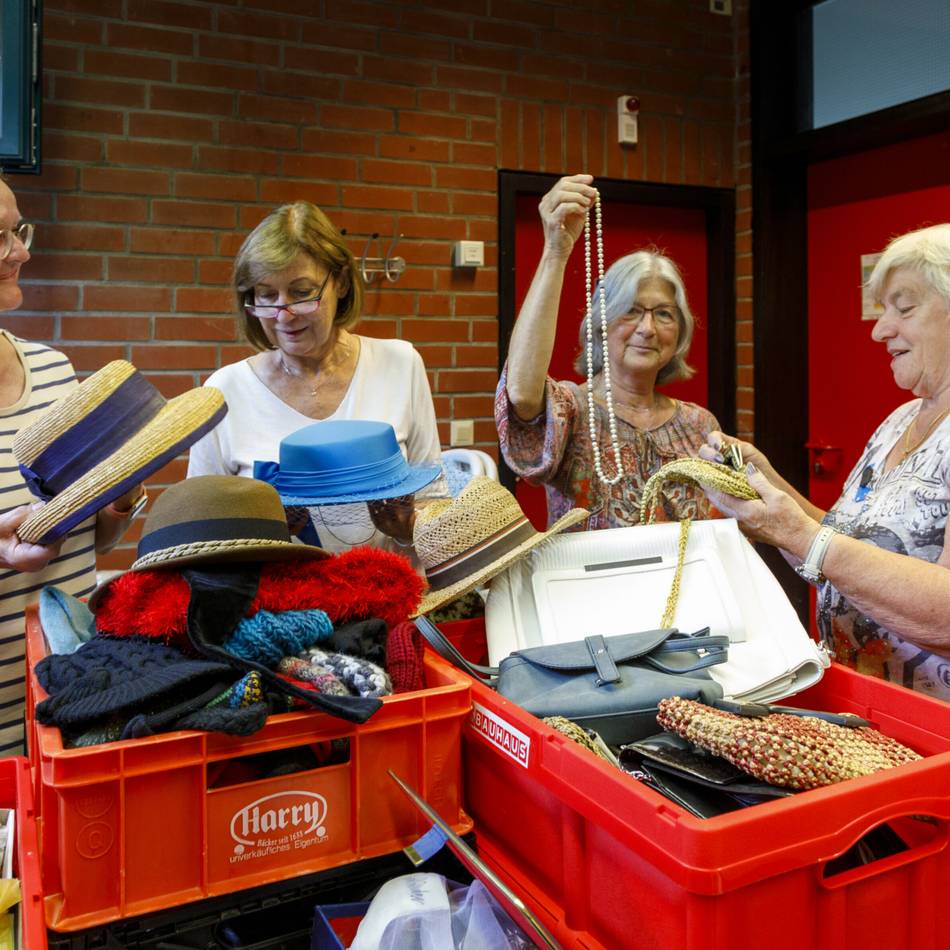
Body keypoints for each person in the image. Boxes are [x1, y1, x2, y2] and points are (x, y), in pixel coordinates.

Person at [701, 223, 950, 700]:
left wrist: (797, 534)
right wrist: (765, 486)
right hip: (867, 704)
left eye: (905, 307)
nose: (880, 330)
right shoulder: (899, 420)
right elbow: (842, 539)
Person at [186, 201, 445, 555]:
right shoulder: (224, 392)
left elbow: (434, 500)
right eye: (266, 295)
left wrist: (408, 527)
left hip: (392, 600)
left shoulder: (400, 365)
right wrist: (262, 529)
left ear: (339, 282)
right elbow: (199, 529)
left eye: (301, 292)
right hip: (275, 607)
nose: (284, 314)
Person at [0, 175, 142, 755]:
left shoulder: (55, 371)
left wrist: (118, 501)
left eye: (17, 230)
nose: (22, 252)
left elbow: (95, 541)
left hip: (77, 704)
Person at [496, 173, 719, 529]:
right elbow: (521, 394)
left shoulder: (699, 425)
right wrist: (556, 251)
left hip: (679, 586)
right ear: (602, 322)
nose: (647, 329)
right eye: (631, 310)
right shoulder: (573, 410)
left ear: (680, 332)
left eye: (663, 314)